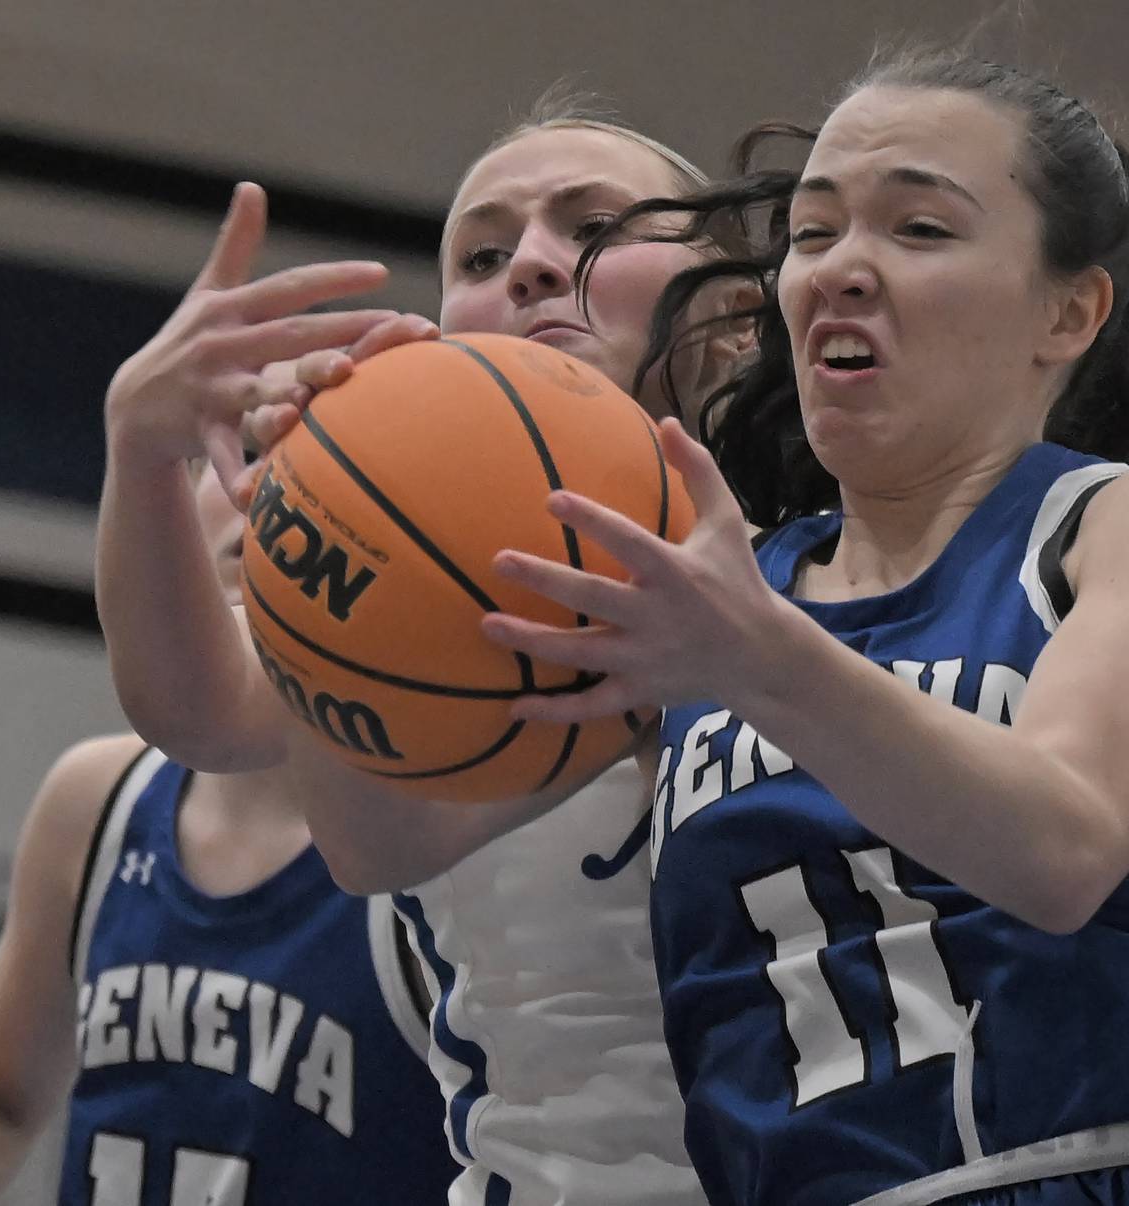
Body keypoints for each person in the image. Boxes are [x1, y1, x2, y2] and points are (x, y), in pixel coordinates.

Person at [477, 50, 1129, 1206]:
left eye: (920, 230)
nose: (843, 268)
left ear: (1069, 310)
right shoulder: (719, 596)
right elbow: (370, 842)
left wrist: (764, 657)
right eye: (812, 233)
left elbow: (1061, 846)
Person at [94, 97, 750, 1206]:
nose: (537, 265)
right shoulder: (442, 592)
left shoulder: (838, 565)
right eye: (485, 253)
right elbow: (199, 714)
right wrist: (144, 448)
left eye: (593, 226)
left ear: (738, 310)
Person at [0, 462, 455, 1205]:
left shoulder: (453, 846)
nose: (266, 489)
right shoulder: (97, 802)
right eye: (242, 443)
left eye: (319, 453)